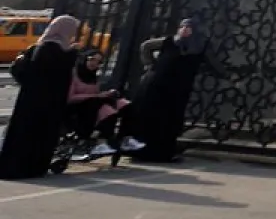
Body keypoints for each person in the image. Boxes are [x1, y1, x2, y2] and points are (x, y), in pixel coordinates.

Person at [124, 17, 221, 163]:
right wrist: (149, 64)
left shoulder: (201, 46)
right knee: (148, 117)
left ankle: (162, 153)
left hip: (177, 89)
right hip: (155, 85)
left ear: (195, 30)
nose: (184, 30)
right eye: (182, 27)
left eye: (188, 27)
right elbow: (146, 46)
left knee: (169, 120)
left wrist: (229, 75)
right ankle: (139, 151)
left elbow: (214, 64)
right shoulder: (169, 41)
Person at [0, 15, 80, 180]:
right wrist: (73, 53)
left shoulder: (42, 45)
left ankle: (26, 166)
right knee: (36, 133)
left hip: (34, 99)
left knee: (31, 132)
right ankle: (28, 167)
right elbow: (54, 72)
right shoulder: (52, 48)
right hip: (44, 101)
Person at [67, 48, 142, 160]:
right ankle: (101, 142)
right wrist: (96, 96)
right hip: (78, 108)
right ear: (84, 59)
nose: (94, 63)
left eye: (98, 62)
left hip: (93, 104)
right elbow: (70, 98)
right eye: (92, 59)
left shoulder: (93, 76)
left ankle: (125, 138)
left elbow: (96, 94)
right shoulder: (74, 75)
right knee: (107, 110)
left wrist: (105, 94)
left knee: (125, 105)